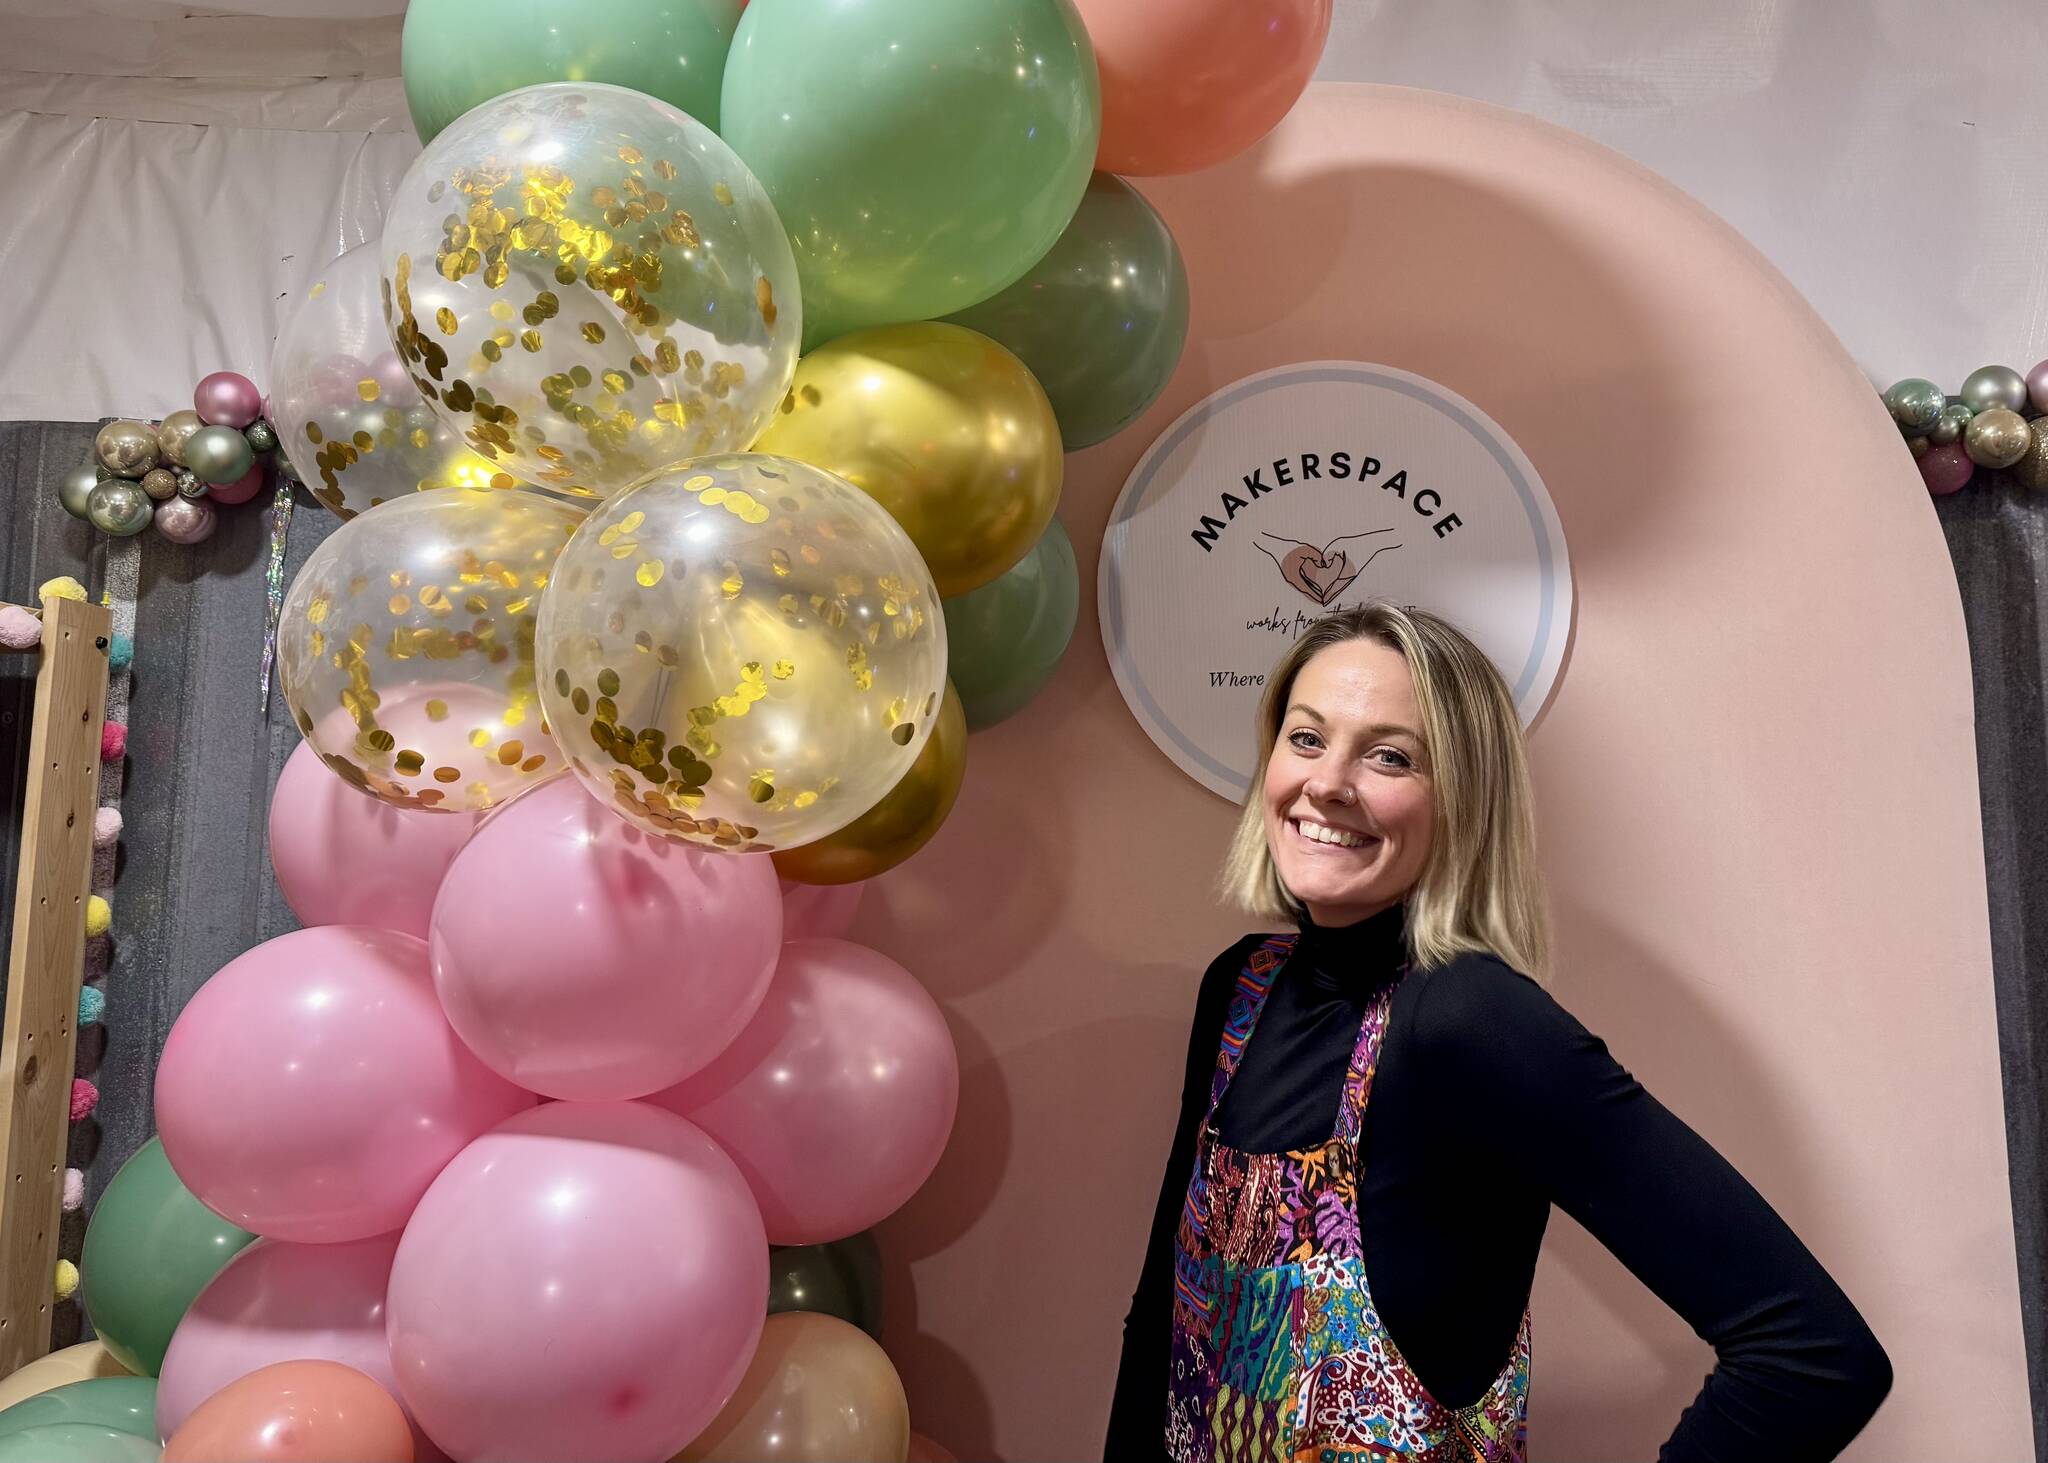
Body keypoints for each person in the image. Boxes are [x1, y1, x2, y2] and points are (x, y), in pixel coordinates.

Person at [1105, 602, 1892, 1462]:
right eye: (1305, 737)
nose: (1327, 782)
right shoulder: (1241, 988)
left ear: (1463, 801)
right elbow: (1162, 1326)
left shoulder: (1472, 1019)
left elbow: (1816, 1356)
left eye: (1389, 756)